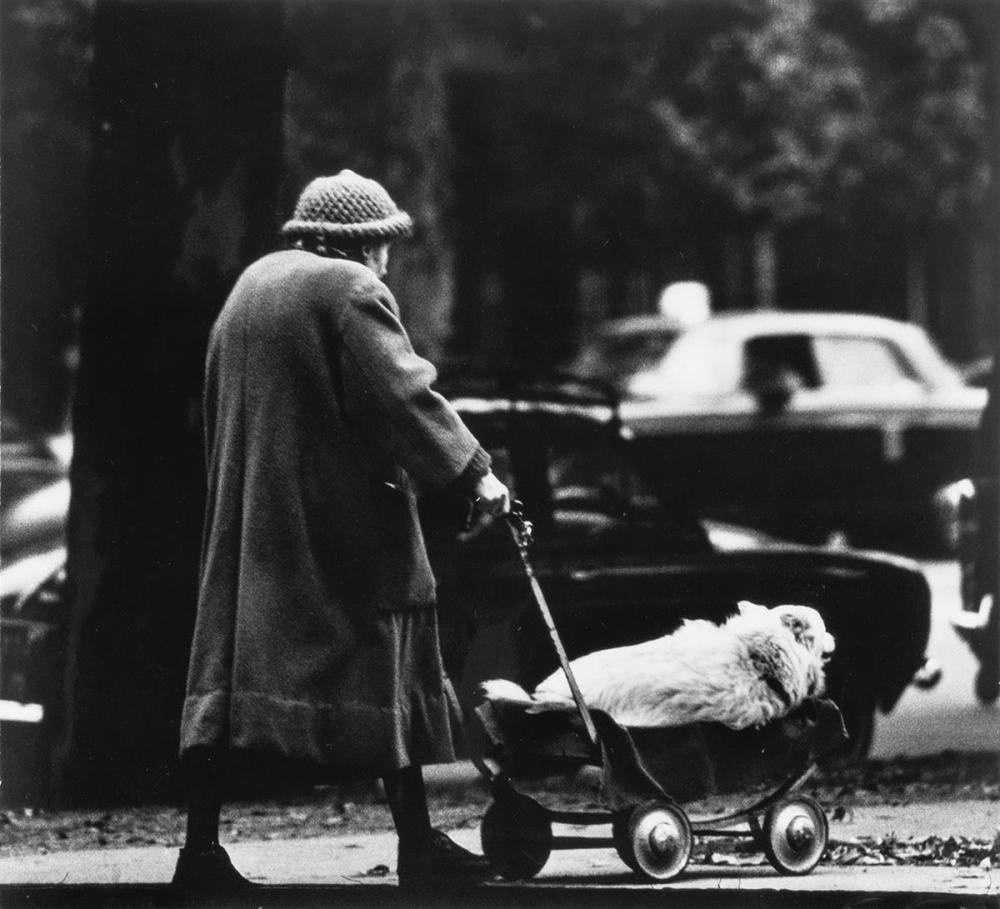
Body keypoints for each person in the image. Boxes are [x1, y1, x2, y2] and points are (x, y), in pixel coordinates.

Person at [171, 170, 510, 894]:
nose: (387, 258)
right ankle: (419, 845)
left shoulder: (251, 286)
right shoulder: (348, 290)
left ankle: (198, 853)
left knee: (228, 678)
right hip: (338, 525)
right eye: (383, 242)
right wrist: (476, 473)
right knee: (390, 655)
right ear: (358, 242)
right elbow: (402, 394)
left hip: (254, 522)